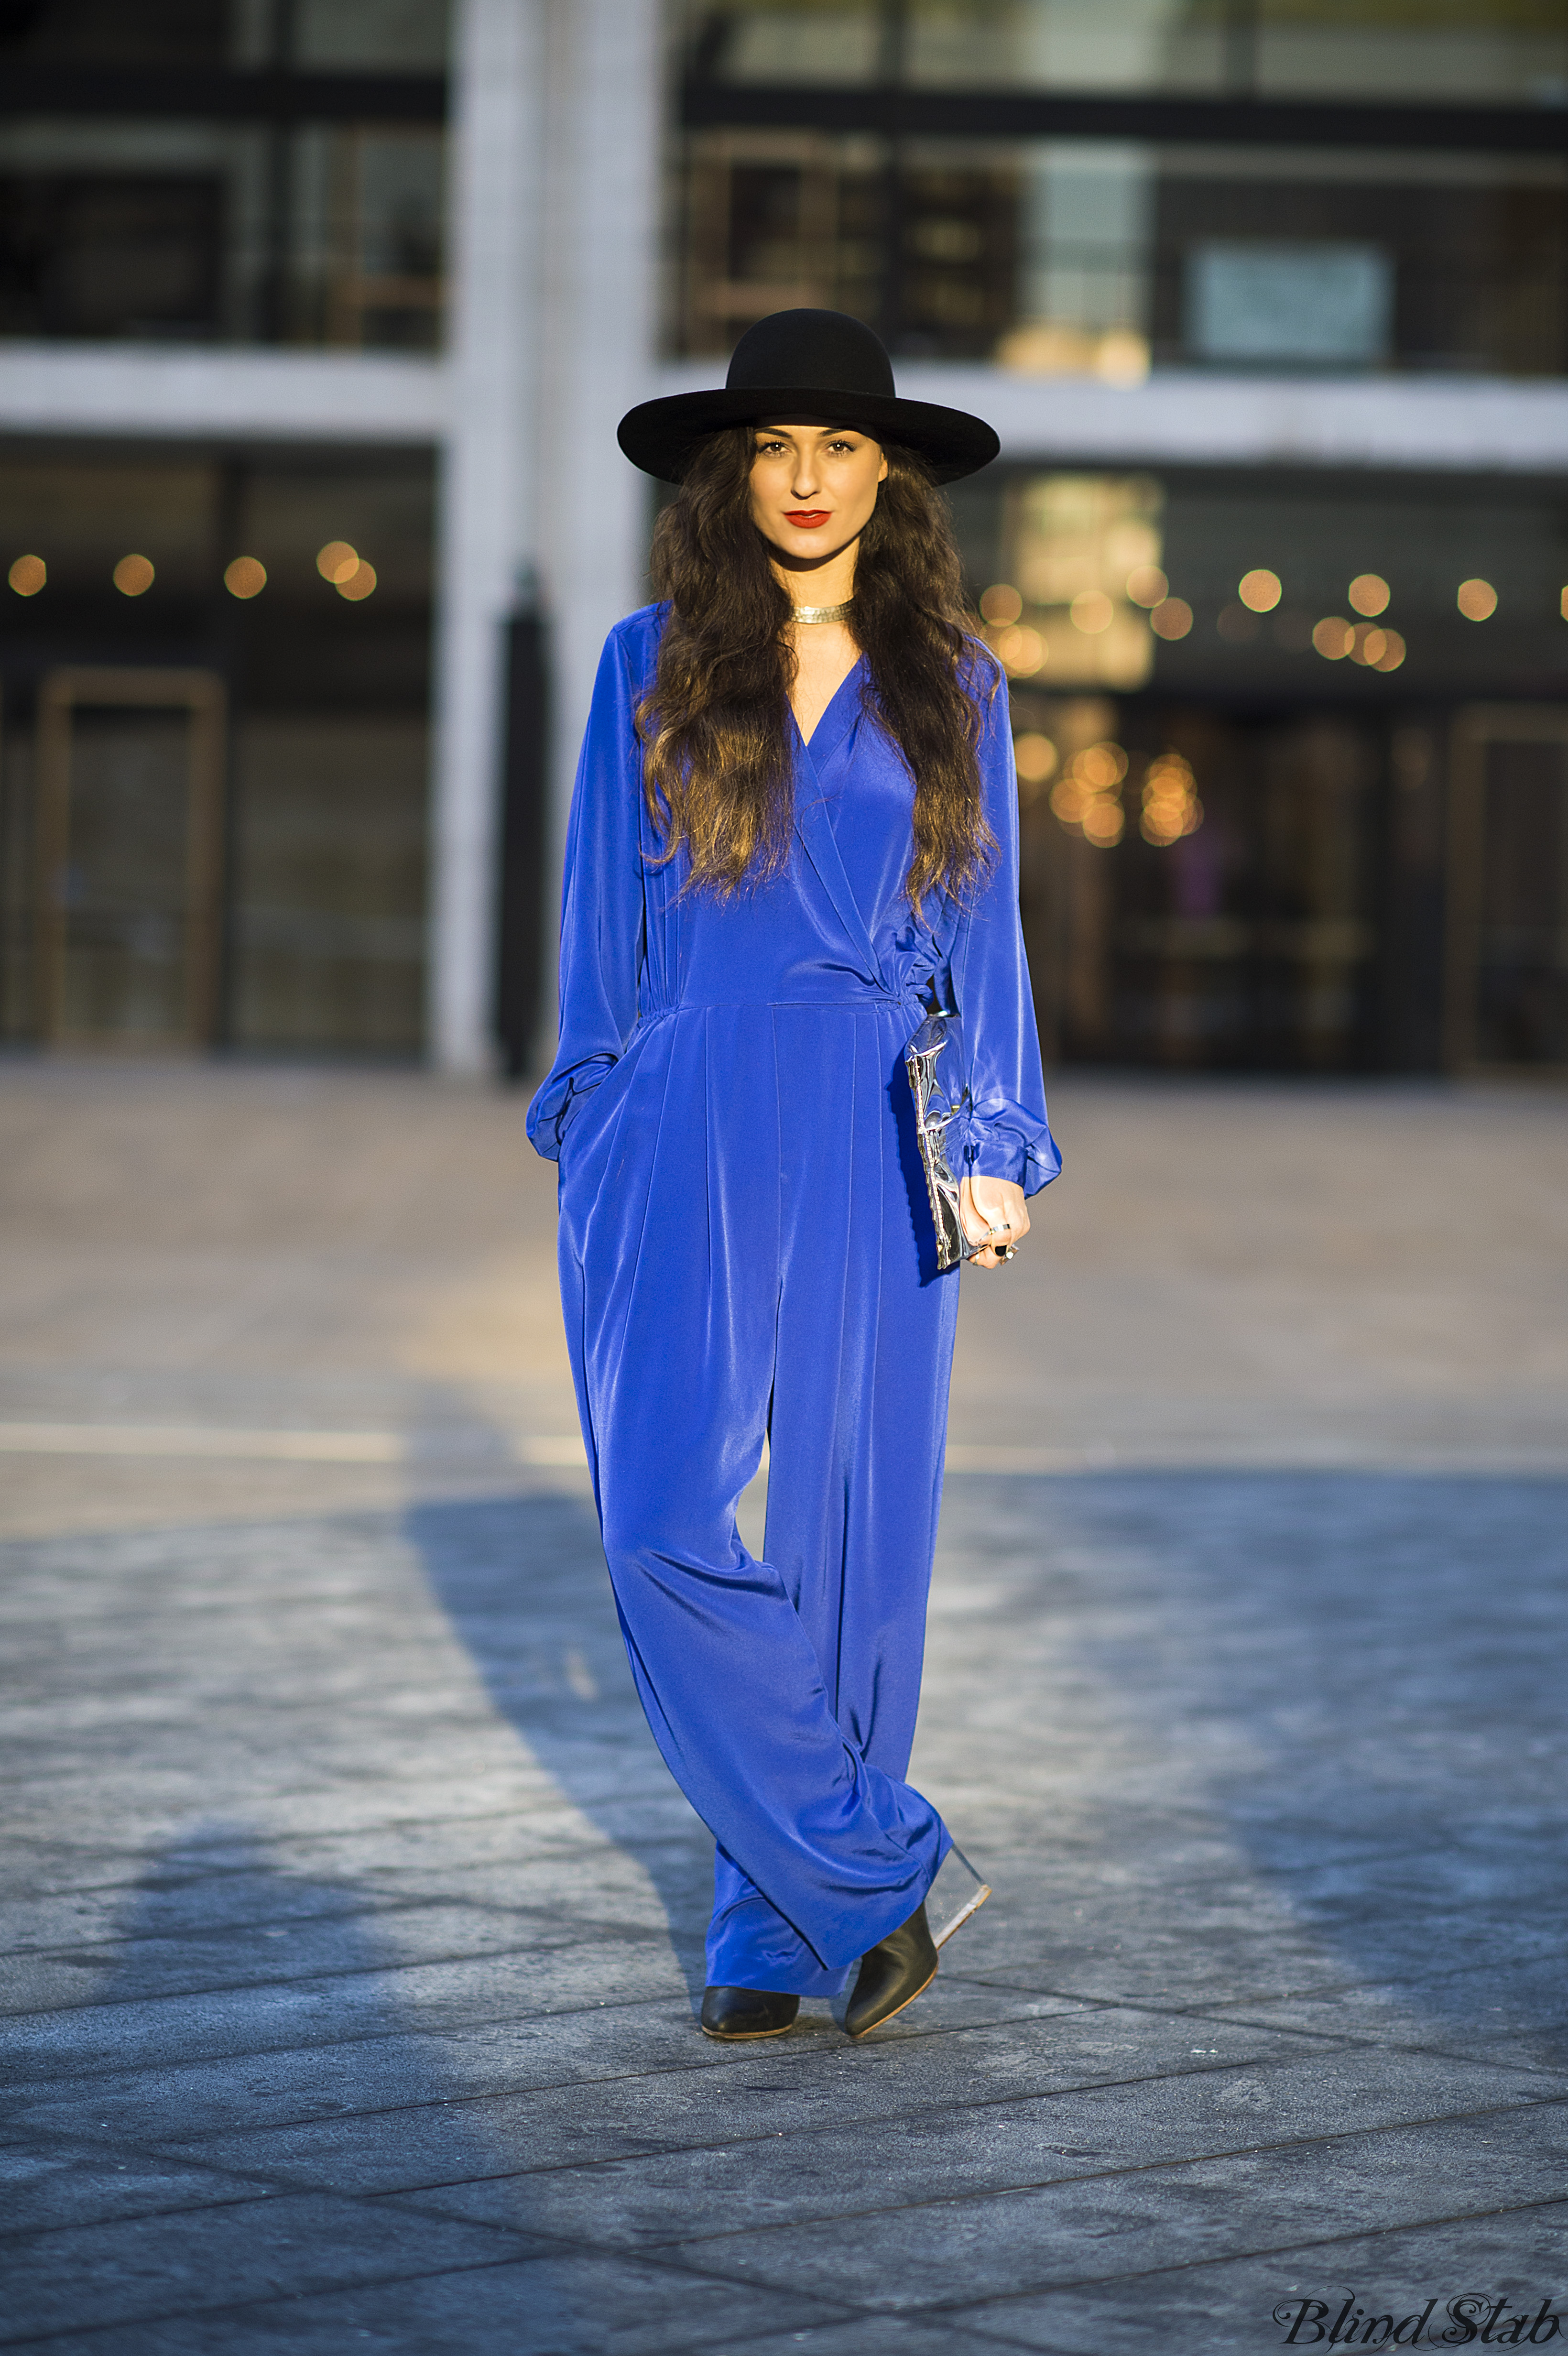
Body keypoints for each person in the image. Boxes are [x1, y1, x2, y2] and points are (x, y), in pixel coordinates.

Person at [527, 309, 1058, 2042]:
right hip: (676, 1102)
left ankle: (775, 1936)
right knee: (662, 1517)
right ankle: (879, 1866)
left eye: (841, 445)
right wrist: (595, 1114)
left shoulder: (955, 681)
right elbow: (598, 923)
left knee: (854, 1525)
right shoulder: (645, 663)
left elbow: (985, 930)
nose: (810, 477)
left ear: (888, 471)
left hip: (874, 1113)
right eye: (775, 446)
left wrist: (991, 1141)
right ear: (731, 470)